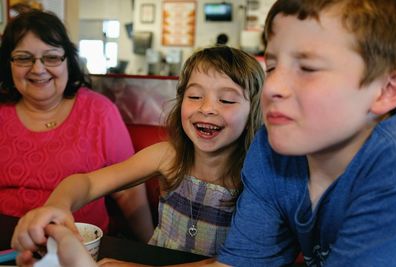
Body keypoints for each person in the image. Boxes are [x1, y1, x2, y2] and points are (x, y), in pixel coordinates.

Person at [11, 45, 264, 265]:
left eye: (227, 100)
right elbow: (86, 183)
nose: (207, 108)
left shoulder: (258, 177)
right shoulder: (169, 157)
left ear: (253, 111)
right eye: (195, 96)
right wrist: (57, 207)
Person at [208, 0, 396, 266]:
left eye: (308, 68)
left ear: (386, 90)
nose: (271, 86)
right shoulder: (271, 148)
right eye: (272, 67)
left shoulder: (393, 165)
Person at [0, 10, 154, 242]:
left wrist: (148, 249)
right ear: (8, 64)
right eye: (24, 58)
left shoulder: (99, 112)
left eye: (51, 57)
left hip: (80, 244)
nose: (38, 69)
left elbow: (129, 191)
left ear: (68, 61)